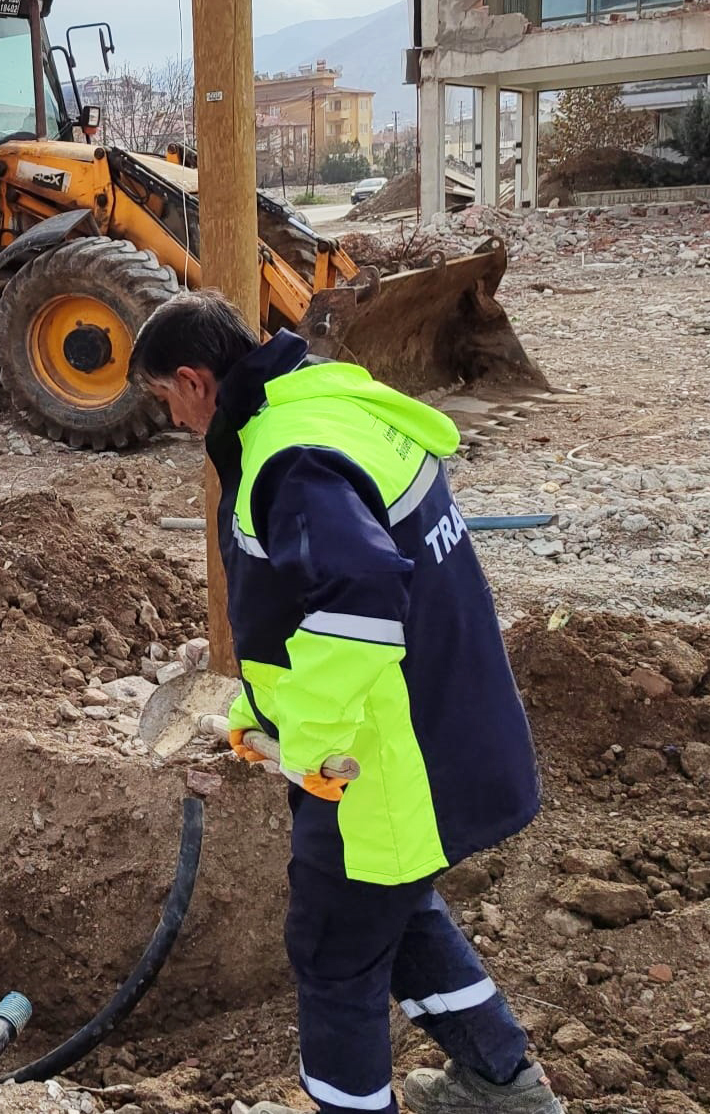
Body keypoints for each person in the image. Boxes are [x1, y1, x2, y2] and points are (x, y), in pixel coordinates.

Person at [127, 292, 560, 1114]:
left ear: (193, 380)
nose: (174, 420)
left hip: (378, 760)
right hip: (442, 722)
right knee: (395, 923)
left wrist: (309, 739)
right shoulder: (332, 408)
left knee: (333, 954)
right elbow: (307, 603)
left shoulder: (289, 459)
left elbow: (359, 602)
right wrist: (265, 714)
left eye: (165, 399)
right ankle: (502, 1083)